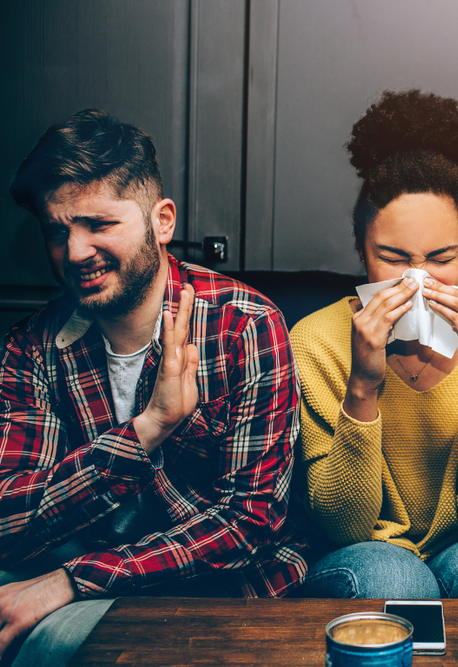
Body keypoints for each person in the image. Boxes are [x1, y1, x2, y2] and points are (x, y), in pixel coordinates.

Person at [0, 108, 306, 666]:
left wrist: (75, 580)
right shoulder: (34, 345)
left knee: (61, 645)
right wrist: (146, 431)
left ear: (161, 221)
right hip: (75, 570)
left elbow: (248, 524)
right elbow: (10, 517)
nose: (73, 252)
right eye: (57, 230)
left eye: (98, 224)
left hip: (216, 590)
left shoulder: (244, 325)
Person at [291, 90, 458, 599]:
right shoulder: (314, 341)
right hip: (366, 553)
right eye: (394, 257)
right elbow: (344, 527)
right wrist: (362, 385)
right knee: (395, 576)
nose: (418, 281)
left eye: (442, 257)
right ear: (361, 249)